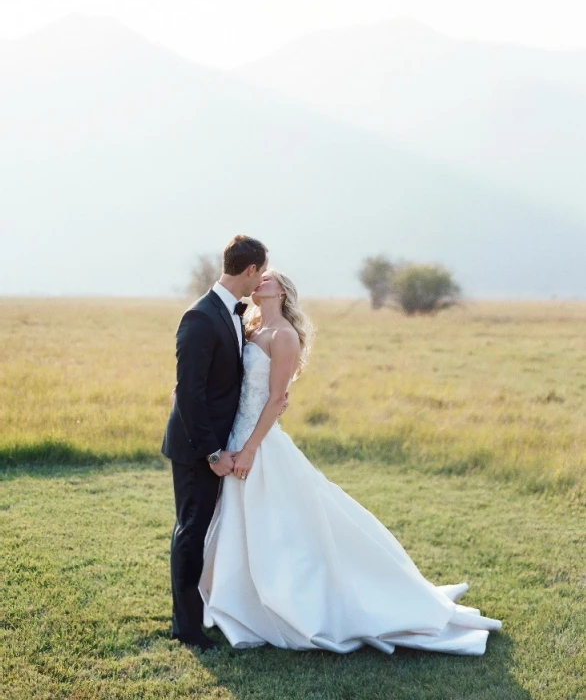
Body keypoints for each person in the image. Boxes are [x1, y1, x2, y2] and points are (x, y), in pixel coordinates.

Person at [199, 268, 503, 656]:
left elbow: (277, 400)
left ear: (283, 291)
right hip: (236, 434)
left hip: (257, 443)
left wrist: (251, 449)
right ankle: (243, 597)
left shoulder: (285, 336)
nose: (260, 281)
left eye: (268, 278)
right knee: (246, 520)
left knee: (281, 523)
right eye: (258, 277)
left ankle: (293, 599)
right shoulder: (250, 328)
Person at [161, 234, 280, 651]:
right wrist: (212, 452)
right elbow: (189, 393)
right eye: (261, 271)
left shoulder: (234, 313)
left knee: (203, 530)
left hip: (220, 442)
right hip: (197, 447)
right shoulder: (200, 317)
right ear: (250, 271)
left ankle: (205, 611)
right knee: (191, 531)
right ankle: (186, 628)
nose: (261, 278)